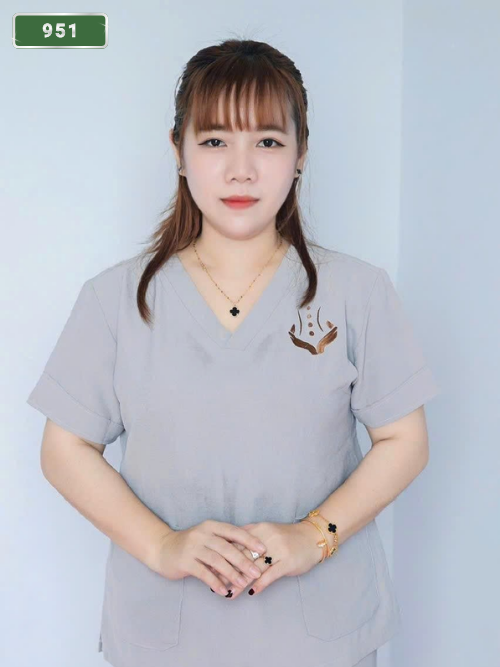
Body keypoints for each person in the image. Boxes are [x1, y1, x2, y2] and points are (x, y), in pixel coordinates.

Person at [26, 38, 441, 667]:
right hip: (169, 638)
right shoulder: (114, 300)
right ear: (179, 151)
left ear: (301, 155)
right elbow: (64, 449)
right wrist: (162, 545)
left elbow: (405, 440)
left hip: (320, 637)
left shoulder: (357, 291)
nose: (241, 170)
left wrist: (315, 536)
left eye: (268, 142)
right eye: (215, 140)